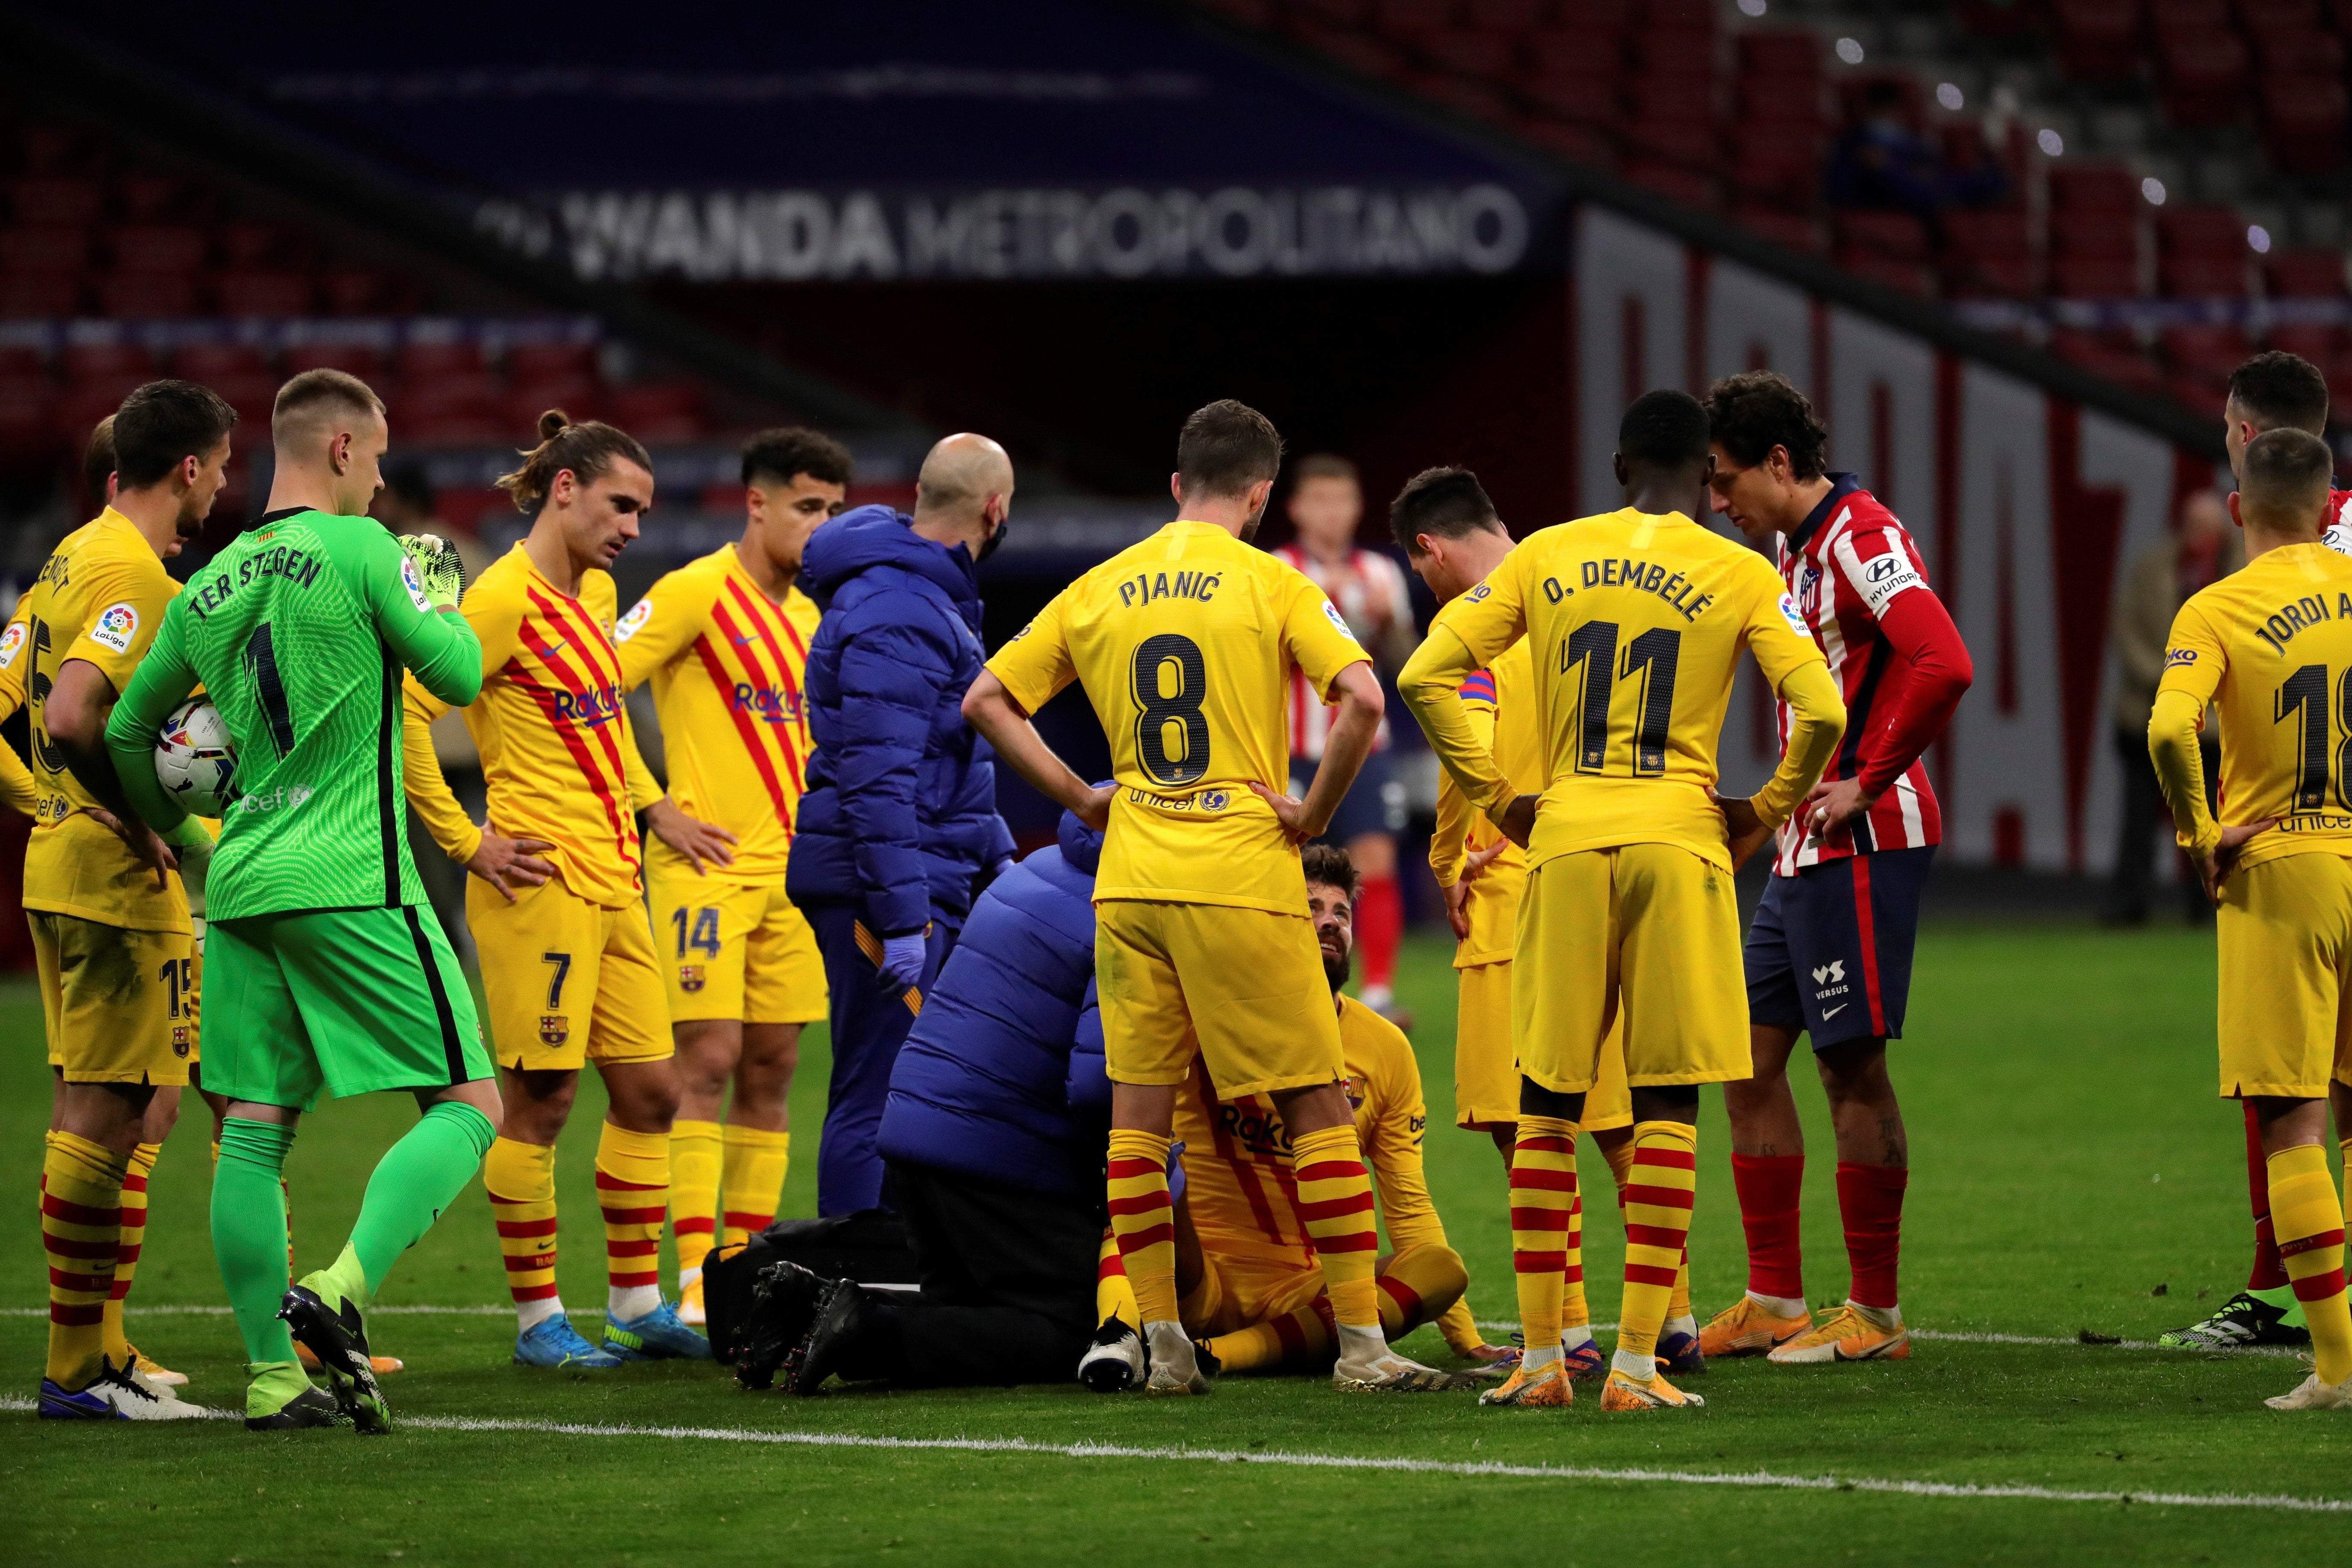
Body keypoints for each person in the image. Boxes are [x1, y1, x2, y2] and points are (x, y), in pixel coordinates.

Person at [966, 399, 1432, 1395]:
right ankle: (1360, 1346)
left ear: (1176, 486)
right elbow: (1358, 698)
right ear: (1259, 496)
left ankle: (1165, 1348)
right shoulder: (1269, 581)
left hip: (1130, 872)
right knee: (1313, 1101)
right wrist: (1310, 813)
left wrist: (1080, 795)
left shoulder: (1100, 584)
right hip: (1238, 870)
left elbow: (985, 700)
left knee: (1138, 1119)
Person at [1399, 389, 1846, 1412]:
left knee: (1546, 1103)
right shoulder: (1736, 568)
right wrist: (1767, 810)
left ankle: (1544, 1359)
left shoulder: (1545, 555)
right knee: (1663, 1100)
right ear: (1703, 476)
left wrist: (1498, 800)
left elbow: (1428, 675)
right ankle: (1640, 1366)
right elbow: (1817, 704)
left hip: (1561, 837)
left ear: (1615, 467)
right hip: (1678, 840)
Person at [100, 368, 499, 1432]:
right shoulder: (372, 550)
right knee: (471, 1104)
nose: (377, 477)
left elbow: (129, 733)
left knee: (255, 1134)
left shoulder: (211, 582)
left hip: (241, 885)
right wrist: (438, 583)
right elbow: (457, 677)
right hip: (355, 876)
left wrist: (191, 838)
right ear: (338, 449)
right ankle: (339, 1288)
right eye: (373, 456)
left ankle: (276, 1382)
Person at [402, 410, 722, 1369]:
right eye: (622, 504)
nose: (632, 525)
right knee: (539, 1101)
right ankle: (539, 1322)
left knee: (653, 1089)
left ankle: (635, 1304)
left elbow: (606, 723)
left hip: (615, 878)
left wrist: (653, 806)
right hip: (535, 883)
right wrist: (467, 842)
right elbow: (409, 715)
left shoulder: (595, 591)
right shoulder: (498, 599)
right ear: (566, 489)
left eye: (643, 510)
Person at [1391, 466, 1697, 1389]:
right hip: (1612, 867)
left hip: (1513, 884)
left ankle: (1564, 1332)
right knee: (1617, 1117)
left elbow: (1465, 748)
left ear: (1429, 550)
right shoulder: (1579, 584)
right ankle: (1673, 1315)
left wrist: (1448, 855)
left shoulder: (1477, 622)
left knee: (1525, 1122)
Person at [1694, 371, 1973, 1367]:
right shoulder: (1791, 544)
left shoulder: (1860, 535)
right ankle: (1773, 1295)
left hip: (1864, 837)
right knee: (1742, 1056)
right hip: (1802, 847)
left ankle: (1876, 1314)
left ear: (1778, 462)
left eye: (1725, 479)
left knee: (1848, 1067)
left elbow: (1941, 661)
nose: (1715, 500)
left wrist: (1865, 775)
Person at [13, 380, 234, 1421]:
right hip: (111, 886)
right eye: (223, 468)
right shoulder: (135, 573)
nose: (225, 488)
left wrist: (54, 808)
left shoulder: (66, 556)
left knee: (137, 1110)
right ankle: (76, 1371)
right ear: (188, 467)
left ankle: (105, 1345)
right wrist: (143, 819)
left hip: (66, 866)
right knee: (106, 1119)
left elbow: (12, 707)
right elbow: (68, 716)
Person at [753, 805, 1113, 1392]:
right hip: (993, 1153)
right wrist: (1164, 1179)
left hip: (917, 1135)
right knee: (1083, 1328)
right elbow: (1101, 1086)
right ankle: (864, 1329)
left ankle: (812, 1306)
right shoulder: (1129, 909)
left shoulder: (1041, 865)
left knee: (970, 1309)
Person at [614, 427, 850, 1323]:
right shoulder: (694, 591)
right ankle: (698, 1275)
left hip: (792, 878)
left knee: (774, 1067)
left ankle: (749, 1270)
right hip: (703, 871)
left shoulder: (813, 617)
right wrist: (652, 805)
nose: (820, 527)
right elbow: (593, 687)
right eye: (806, 508)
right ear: (755, 504)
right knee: (702, 1064)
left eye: (833, 510)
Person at [2147, 426, 2352, 1411]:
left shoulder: (2218, 605)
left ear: (2236, 508)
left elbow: (2163, 727)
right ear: (2327, 504)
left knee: (2290, 1124)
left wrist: (2198, 835)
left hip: (2282, 867)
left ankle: (2336, 1369)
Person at [1152, 843, 1496, 1382]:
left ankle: (1224, 1355)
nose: (1330, 923)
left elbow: (1407, 1204)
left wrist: (1465, 1339)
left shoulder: (1385, 1048)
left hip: (1307, 1291)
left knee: (1441, 1266)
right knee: (1139, 1177)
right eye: (1310, 908)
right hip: (1200, 1273)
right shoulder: (1209, 1017)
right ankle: (1125, 1335)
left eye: (1341, 913)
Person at [787, 433, 1017, 1217]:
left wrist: (997, 862)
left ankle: (894, 1281)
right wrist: (903, 919)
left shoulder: (921, 597)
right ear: (995, 507)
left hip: (912, 871)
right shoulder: (902, 607)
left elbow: (937, 765)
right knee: (876, 1088)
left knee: (907, 1085)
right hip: (882, 886)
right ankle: (854, 1291)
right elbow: (878, 777)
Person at [1274, 454, 1418, 1023]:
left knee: (1375, 861)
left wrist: (1391, 627)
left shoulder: (1381, 576)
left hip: (1364, 747)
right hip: (1288, 745)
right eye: (1320, 501)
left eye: (1343, 501)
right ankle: (1284, 985)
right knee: (1281, 869)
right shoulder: (1275, 570)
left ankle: (1378, 995)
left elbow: (1408, 666)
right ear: (1297, 508)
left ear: (1358, 508)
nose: (1333, 513)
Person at [2105, 490, 2237, 927]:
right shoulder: (2153, 566)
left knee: (2215, 815)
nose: (2199, 536)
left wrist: (2200, 685)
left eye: (2208, 527)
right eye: (2192, 525)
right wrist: (2174, 680)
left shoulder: (2243, 573)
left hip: (2217, 724)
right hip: (2147, 712)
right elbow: (2126, 631)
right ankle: (2129, 905)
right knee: (2138, 818)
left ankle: (2210, 905)